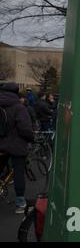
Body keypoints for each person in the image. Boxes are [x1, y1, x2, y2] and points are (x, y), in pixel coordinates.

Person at [0, 83, 34, 213]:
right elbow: (25, 129)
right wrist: (31, 138)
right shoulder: (19, 108)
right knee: (18, 172)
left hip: (1, 143)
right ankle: (20, 203)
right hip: (16, 145)